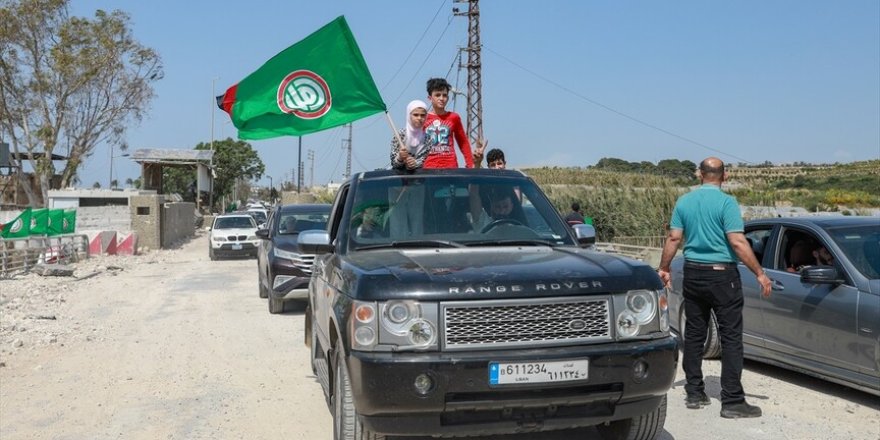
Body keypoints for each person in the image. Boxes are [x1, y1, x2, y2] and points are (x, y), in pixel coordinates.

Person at [657, 157, 772, 419]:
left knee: (695, 333)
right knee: (731, 337)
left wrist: (663, 268)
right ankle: (732, 401)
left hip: (693, 273)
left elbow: (674, 237)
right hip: (722, 276)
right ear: (725, 176)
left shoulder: (684, 201)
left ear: (699, 174)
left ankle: (694, 392)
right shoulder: (727, 203)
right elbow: (738, 242)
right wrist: (760, 273)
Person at [422, 78, 474, 168]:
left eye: (444, 95)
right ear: (430, 98)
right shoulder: (422, 118)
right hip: (428, 168)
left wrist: (470, 165)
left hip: (450, 168)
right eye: (437, 95)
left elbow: (463, 143)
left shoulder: (454, 117)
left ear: (448, 98)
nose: (441, 98)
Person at [390, 100, 430, 171]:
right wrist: (400, 157)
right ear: (409, 115)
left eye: (422, 115)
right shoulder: (400, 135)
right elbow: (394, 163)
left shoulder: (427, 139)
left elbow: (423, 160)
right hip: (398, 177)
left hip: (418, 177)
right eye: (415, 115)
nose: (419, 118)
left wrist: (415, 163)